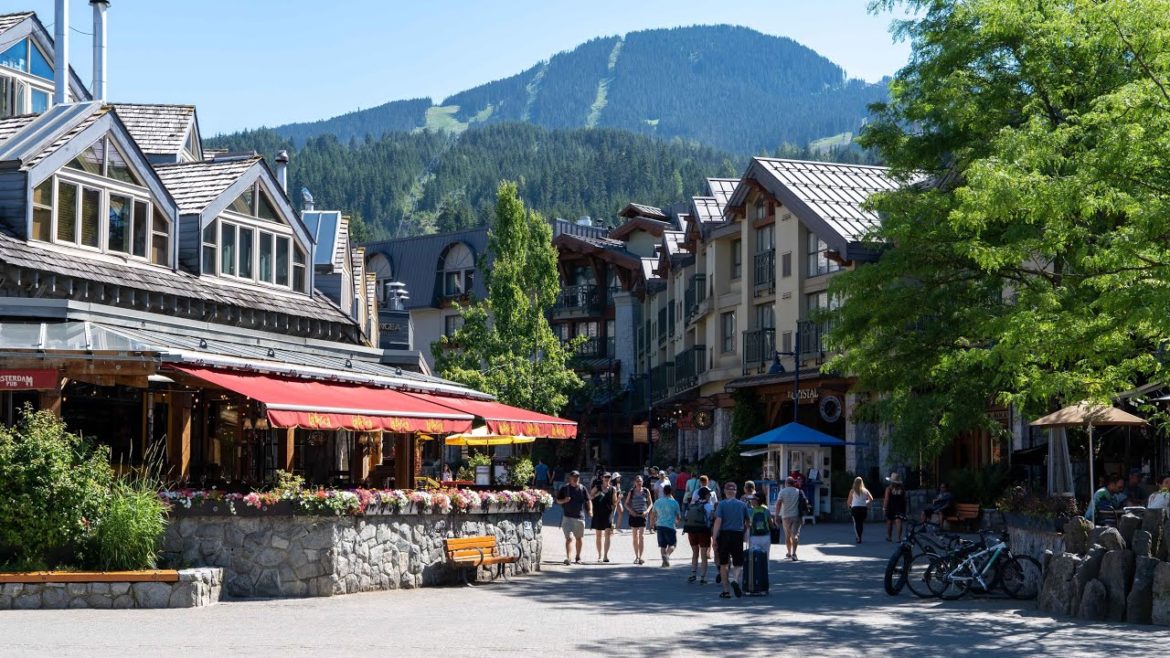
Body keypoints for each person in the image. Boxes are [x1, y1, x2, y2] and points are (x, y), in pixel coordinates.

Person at [712, 481, 750, 598]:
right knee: (738, 562)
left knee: (724, 563)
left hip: (724, 535)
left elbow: (718, 521)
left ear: (725, 492)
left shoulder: (721, 505)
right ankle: (735, 580)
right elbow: (748, 522)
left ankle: (726, 591)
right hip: (737, 535)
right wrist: (746, 534)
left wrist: (714, 538)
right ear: (735, 492)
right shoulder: (742, 505)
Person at [556, 470, 591, 565]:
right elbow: (558, 501)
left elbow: (588, 500)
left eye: (577, 477)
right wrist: (564, 500)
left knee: (579, 538)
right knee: (569, 538)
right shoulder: (564, 488)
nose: (575, 479)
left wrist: (590, 511)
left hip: (579, 517)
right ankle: (569, 558)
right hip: (567, 517)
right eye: (574, 477)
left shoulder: (582, 488)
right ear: (570, 478)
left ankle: (578, 557)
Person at [684, 486, 715, 583]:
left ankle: (693, 573)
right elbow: (712, 518)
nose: (710, 495)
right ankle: (703, 577)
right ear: (706, 496)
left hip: (691, 530)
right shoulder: (709, 506)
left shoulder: (692, 505)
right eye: (709, 494)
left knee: (695, 552)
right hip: (703, 531)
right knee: (704, 554)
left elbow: (686, 516)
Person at [648, 483, 682, 567]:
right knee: (673, 544)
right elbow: (679, 517)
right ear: (671, 492)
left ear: (663, 492)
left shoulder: (657, 501)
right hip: (670, 526)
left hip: (659, 526)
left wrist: (651, 525)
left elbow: (653, 515)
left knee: (662, 545)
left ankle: (664, 562)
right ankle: (666, 556)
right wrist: (677, 522)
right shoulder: (675, 503)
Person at [590, 473, 619, 562]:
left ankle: (605, 556)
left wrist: (619, 499)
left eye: (609, 477)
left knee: (607, 534)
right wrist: (597, 495)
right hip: (598, 512)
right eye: (605, 477)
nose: (607, 479)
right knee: (598, 535)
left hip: (608, 513)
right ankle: (599, 555)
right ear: (602, 478)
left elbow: (614, 503)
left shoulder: (613, 489)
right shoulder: (597, 487)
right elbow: (589, 497)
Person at [774, 476, 804, 561]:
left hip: (785, 516)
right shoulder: (798, 491)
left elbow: (778, 504)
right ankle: (794, 553)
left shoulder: (782, 492)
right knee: (795, 535)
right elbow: (805, 502)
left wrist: (776, 516)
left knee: (787, 536)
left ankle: (789, 553)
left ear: (786, 483)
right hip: (796, 516)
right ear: (793, 483)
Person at [624, 476, 652, 565]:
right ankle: (636, 556)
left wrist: (647, 511)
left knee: (641, 537)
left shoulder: (646, 491)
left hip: (643, 515)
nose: (639, 483)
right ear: (634, 482)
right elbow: (626, 504)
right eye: (637, 481)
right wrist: (631, 511)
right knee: (635, 537)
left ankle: (641, 557)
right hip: (634, 515)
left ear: (642, 482)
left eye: (640, 481)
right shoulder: (631, 491)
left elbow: (651, 503)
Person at [847, 476, 874, 544]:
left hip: (855, 508)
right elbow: (871, 499)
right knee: (861, 523)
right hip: (863, 508)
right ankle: (859, 536)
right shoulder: (865, 490)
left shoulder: (852, 491)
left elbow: (848, 502)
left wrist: (850, 506)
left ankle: (858, 537)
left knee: (856, 523)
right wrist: (865, 502)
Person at [883, 472, 907, 542]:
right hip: (900, 507)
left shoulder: (889, 489)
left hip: (891, 507)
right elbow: (904, 499)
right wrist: (905, 507)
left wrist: (884, 507)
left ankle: (889, 537)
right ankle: (899, 538)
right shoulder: (902, 489)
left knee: (889, 522)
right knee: (899, 522)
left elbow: (886, 499)